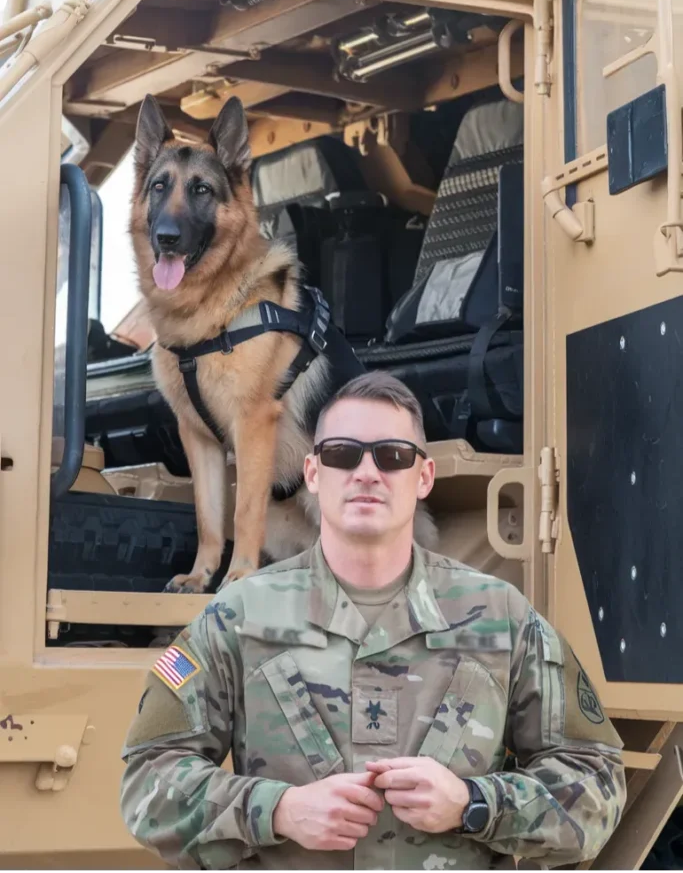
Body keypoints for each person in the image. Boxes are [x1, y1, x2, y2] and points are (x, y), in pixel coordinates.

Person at [119, 371, 626, 872]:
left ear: (423, 476)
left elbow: (598, 784)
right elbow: (148, 783)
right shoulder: (238, 616)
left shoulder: (503, 616)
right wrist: (278, 811)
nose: (367, 472)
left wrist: (475, 804)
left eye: (393, 456)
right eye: (343, 454)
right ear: (313, 473)